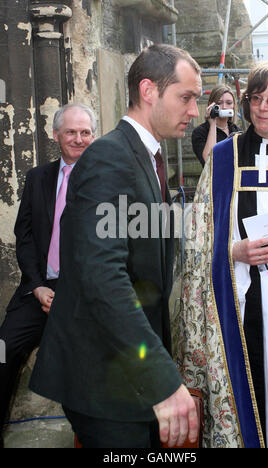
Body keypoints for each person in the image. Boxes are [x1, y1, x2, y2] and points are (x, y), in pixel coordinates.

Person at [29, 44, 202, 449]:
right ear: (148, 90)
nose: (193, 111)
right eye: (186, 97)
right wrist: (162, 379)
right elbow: (104, 279)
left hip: (130, 372)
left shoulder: (147, 156)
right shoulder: (109, 157)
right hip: (104, 382)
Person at [175, 60, 268, 448]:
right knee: (252, 385)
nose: (263, 108)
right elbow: (196, 238)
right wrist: (234, 251)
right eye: (256, 99)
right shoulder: (224, 157)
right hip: (243, 300)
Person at [0, 103, 96, 447]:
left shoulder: (106, 181)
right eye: (71, 132)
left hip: (82, 295)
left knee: (85, 368)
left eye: (85, 132)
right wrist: (38, 286)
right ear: (56, 135)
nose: (79, 139)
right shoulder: (37, 178)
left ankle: (89, 439)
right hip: (39, 289)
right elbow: (23, 236)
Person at [192, 84, 240, 166]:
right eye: (219, 103)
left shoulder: (236, 130)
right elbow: (208, 161)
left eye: (229, 103)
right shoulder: (200, 132)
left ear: (233, 106)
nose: (224, 107)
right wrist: (213, 123)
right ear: (211, 105)